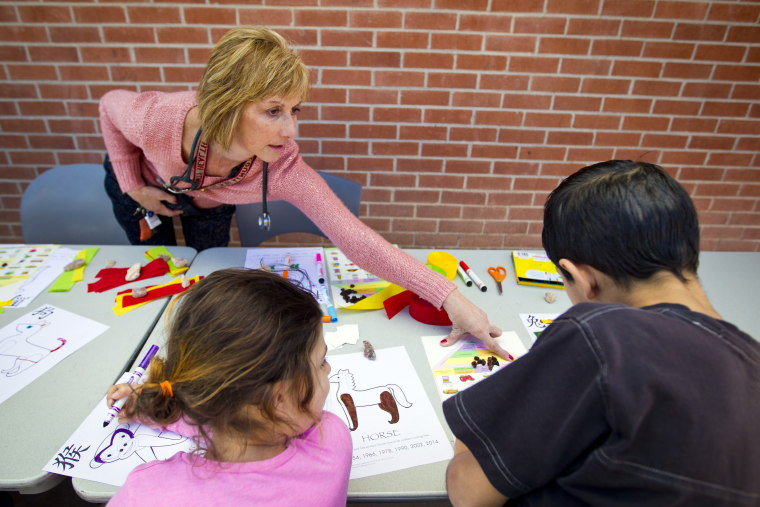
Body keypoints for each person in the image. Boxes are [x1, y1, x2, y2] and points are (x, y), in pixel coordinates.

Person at [99, 26, 505, 356]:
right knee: (156, 273)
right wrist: (132, 185)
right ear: (225, 103)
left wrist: (452, 299)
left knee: (205, 272)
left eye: (295, 110)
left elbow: (355, 238)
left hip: (207, 203)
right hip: (144, 190)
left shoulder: (282, 165)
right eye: (273, 111)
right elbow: (108, 105)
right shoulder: (157, 119)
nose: (290, 130)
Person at [443, 160, 760, 506]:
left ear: (580, 278)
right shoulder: (751, 359)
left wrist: (503, 406)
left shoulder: (600, 336)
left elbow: (467, 491)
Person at [105, 268, 351, 506]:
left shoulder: (145, 495)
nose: (328, 369)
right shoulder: (329, 443)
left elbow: (235, 416)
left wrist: (155, 404)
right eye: (321, 362)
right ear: (278, 400)